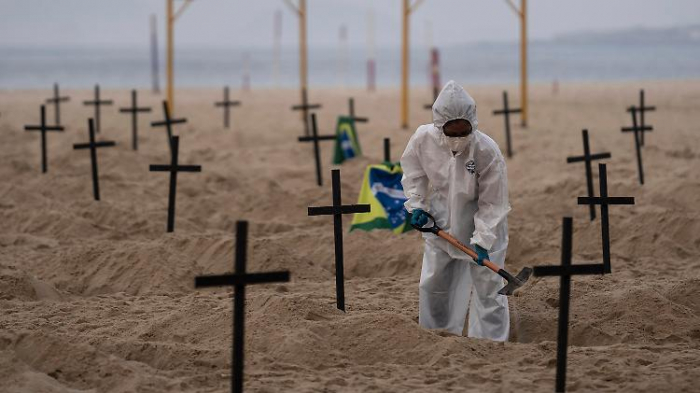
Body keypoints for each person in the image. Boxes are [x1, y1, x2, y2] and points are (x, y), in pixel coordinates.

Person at [400, 80, 511, 341]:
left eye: (464, 130)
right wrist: (416, 205)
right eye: (453, 131)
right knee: (435, 283)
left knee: (488, 289)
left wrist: (482, 241)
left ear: (473, 123)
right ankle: (437, 336)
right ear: (440, 126)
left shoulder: (487, 151)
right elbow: (413, 174)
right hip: (439, 223)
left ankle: (489, 343)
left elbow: (493, 203)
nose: (459, 137)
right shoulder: (422, 139)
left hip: (485, 225)